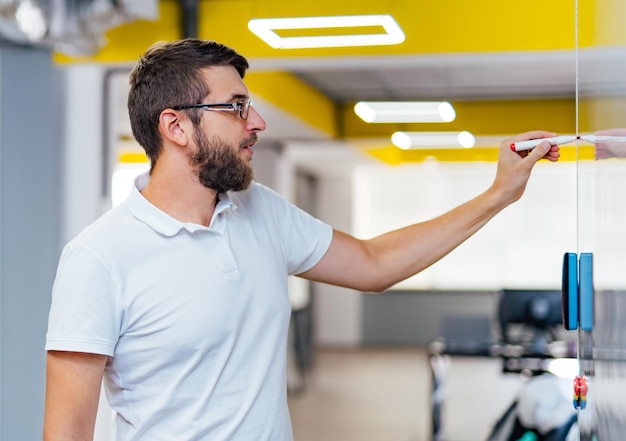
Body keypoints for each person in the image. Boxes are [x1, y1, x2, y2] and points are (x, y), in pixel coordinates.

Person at [43, 38, 561, 441]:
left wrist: (499, 195)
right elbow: (66, 432)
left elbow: (374, 262)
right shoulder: (98, 258)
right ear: (176, 126)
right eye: (238, 107)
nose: (258, 122)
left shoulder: (261, 210)